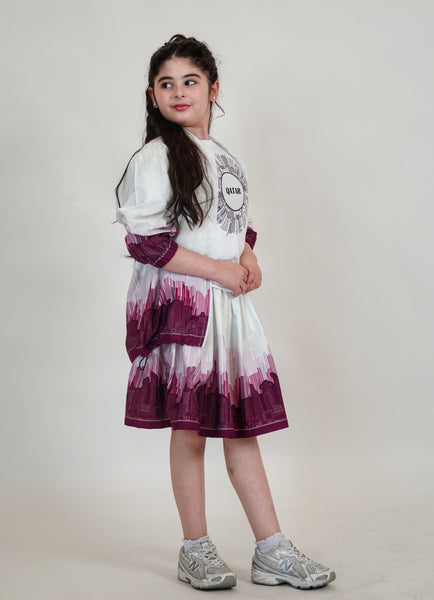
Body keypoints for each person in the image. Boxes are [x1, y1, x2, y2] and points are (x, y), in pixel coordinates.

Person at [116, 34, 335, 591]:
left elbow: (233, 225)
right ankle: (195, 548)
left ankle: (272, 549)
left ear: (213, 89)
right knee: (190, 430)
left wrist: (248, 257)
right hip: (185, 309)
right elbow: (146, 242)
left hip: (228, 310)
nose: (178, 91)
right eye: (166, 83)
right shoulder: (155, 158)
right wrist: (219, 271)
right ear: (152, 94)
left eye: (190, 81)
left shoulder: (226, 157)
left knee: (240, 429)